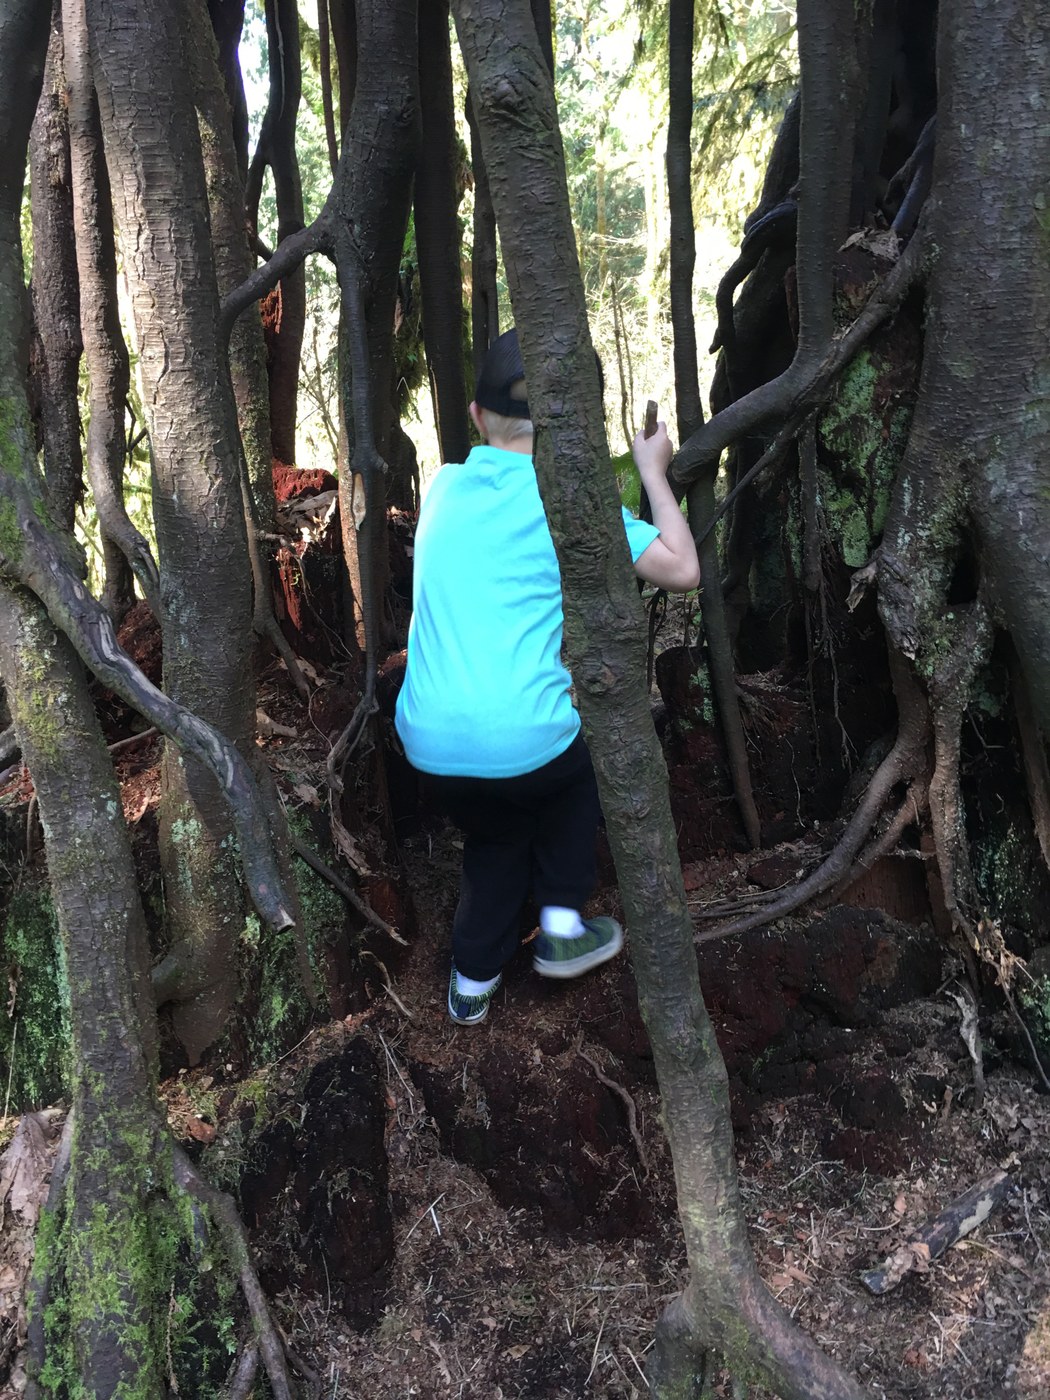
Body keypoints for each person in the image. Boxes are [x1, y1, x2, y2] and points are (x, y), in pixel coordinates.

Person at [395, 329, 700, 1025]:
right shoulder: (571, 507)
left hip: (428, 741)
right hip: (523, 740)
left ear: (476, 416)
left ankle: (471, 986)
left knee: (497, 836)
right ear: (577, 425)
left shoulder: (442, 488)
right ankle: (562, 926)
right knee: (573, 782)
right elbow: (683, 570)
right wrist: (652, 471)